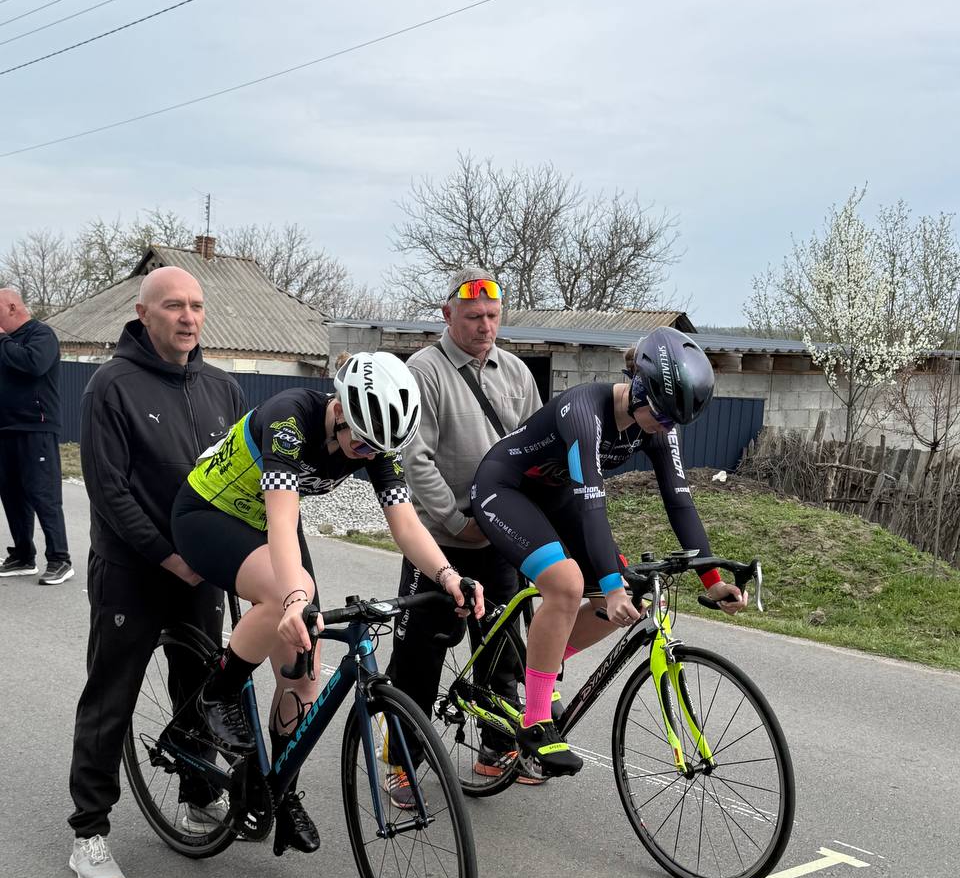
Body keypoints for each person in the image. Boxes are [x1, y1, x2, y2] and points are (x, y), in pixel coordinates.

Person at [170, 350, 486, 825]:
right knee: (285, 595)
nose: (367, 456)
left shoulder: (373, 439)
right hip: (209, 514)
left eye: (376, 451)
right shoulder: (289, 418)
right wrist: (294, 598)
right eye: (361, 447)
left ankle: (277, 790)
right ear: (339, 407)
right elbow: (281, 517)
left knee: (303, 674)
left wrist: (448, 575)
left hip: (266, 526)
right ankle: (218, 692)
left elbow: (405, 523)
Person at [472, 327, 748, 778]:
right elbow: (592, 503)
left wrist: (713, 581)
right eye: (662, 415)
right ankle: (535, 720)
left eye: (676, 422)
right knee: (567, 585)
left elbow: (679, 501)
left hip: (556, 495)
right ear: (640, 385)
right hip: (505, 488)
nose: (667, 428)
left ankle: (541, 659)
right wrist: (610, 583)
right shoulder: (585, 410)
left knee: (629, 597)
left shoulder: (658, 426)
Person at [68, 266, 245, 878]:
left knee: (201, 689)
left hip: (203, 575)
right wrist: (166, 554)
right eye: (174, 306)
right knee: (111, 694)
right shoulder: (108, 387)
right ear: (143, 314)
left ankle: (200, 793)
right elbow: (108, 492)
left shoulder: (224, 388)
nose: (188, 317)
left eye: (196, 305)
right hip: (132, 573)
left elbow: (242, 484)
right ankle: (89, 829)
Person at [386, 266, 544, 783]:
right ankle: (402, 760)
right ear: (448, 314)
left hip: (500, 540)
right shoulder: (424, 370)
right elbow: (415, 459)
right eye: (473, 315)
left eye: (493, 316)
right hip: (438, 542)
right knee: (420, 655)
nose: (484, 326)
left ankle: (497, 748)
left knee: (501, 647)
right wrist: (457, 520)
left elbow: (535, 450)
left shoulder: (517, 373)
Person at [0, 289, 73, 585]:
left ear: (12, 307)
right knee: (13, 495)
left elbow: (33, 365)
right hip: (6, 429)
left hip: (36, 428)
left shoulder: (41, 335)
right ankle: (22, 555)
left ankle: (60, 559)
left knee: (43, 494)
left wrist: (2, 339)